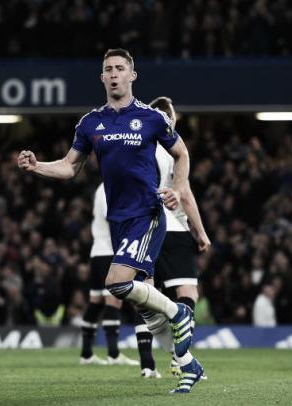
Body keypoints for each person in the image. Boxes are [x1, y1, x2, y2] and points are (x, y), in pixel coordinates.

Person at [17, 48, 203, 393]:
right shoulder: (90, 123)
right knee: (145, 307)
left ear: (132, 75)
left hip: (145, 214)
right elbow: (70, 166)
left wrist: (177, 188)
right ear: (102, 77)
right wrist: (37, 166)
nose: (114, 73)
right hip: (117, 220)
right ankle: (188, 364)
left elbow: (182, 153)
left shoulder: (151, 118)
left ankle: (180, 314)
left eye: (120, 68)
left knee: (116, 283)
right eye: (108, 69)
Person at [129, 96, 211, 377]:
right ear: (169, 120)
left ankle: (159, 360)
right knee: (187, 294)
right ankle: (181, 356)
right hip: (174, 231)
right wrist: (200, 231)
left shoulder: (138, 150)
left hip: (144, 230)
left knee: (149, 296)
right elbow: (185, 194)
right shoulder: (173, 150)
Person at [78, 183, 140, 367]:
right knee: (114, 300)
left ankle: (86, 354)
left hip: (98, 251)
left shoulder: (102, 187)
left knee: (96, 302)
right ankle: (113, 354)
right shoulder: (109, 187)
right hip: (108, 251)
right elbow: (111, 216)